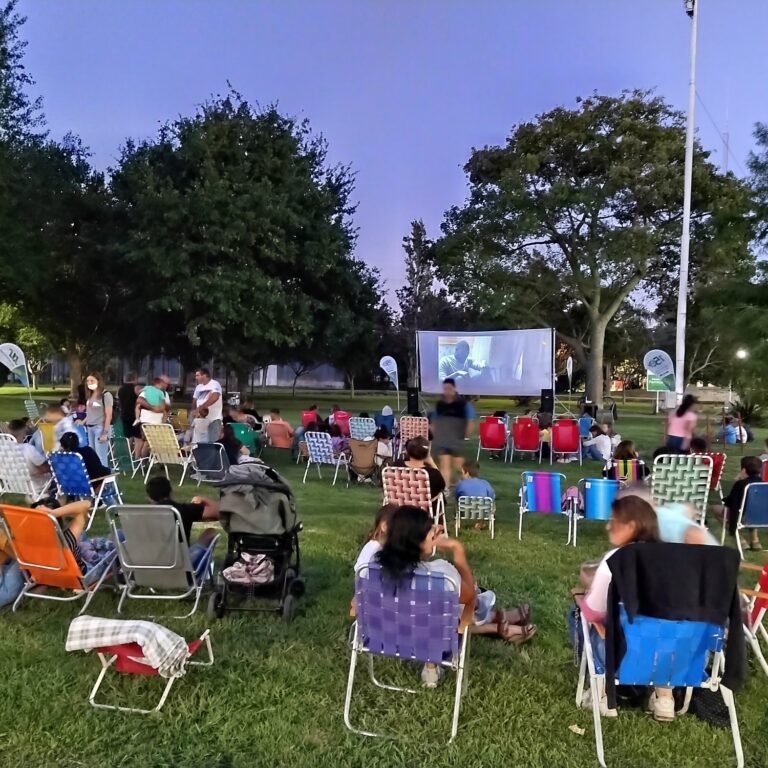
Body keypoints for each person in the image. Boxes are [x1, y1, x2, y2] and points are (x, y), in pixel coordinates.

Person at [367, 506, 534, 686]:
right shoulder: (441, 574)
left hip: (383, 639)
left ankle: (433, 670)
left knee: (427, 610)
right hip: (435, 644)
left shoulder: (373, 565)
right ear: (419, 542)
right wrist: (457, 550)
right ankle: (432, 665)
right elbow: (471, 600)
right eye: (430, 533)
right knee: (455, 608)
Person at [569, 495, 675, 721]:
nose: (608, 526)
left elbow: (593, 612)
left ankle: (601, 694)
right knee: (663, 626)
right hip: (677, 658)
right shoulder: (678, 561)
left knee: (580, 614)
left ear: (632, 526)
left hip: (626, 656)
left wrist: (587, 592)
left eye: (613, 521)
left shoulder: (616, 560)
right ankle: (665, 699)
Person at [145, 475, 221, 567]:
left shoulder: (141, 515)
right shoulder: (183, 510)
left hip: (147, 564)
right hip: (181, 566)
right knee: (210, 532)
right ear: (171, 492)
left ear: (149, 497)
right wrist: (203, 499)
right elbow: (221, 511)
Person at [431, 378, 474, 487]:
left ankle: (465, 486)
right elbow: (434, 421)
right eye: (445, 389)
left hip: (457, 439)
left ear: (454, 388)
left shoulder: (463, 404)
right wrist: (434, 435)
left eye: (449, 388)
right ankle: (445, 489)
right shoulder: (440, 405)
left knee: (459, 467)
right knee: (444, 465)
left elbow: (470, 421)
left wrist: (467, 435)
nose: (447, 391)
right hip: (442, 440)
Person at [722, 456, 763, 550]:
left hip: (742, 516)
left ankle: (740, 540)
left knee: (717, 509)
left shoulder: (741, 484)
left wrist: (736, 481)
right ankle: (755, 540)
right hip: (759, 517)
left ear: (743, 470)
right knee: (753, 510)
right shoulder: (763, 484)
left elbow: (730, 502)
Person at [393, 436, 445, 508]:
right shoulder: (432, 473)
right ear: (427, 454)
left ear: (408, 451)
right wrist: (432, 463)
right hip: (422, 509)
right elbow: (442, 486)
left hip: (399, 507)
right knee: (441, 494)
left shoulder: (397, 466)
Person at [8, 419, 52, 500]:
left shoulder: (3, 449)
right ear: (24, 433)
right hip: (36, 485)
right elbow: (45, 468)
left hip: (15, 485)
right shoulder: (28, 449)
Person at [84, 371, 114, 466]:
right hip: (90, 427)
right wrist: (83, 421)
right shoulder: (90, 395)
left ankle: (103, 474)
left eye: (92, 381)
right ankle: (95, 473)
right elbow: (90, 412)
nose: (89, 383)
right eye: (88, 381)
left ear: (98, 381)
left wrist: (105, 433)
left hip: (100, 427)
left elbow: (109, 415)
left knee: (101, 456)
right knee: (92, 455)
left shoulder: (106, 395)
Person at [191, 367, 223, 444]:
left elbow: (215, 397)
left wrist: (201, 407)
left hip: (214, 419)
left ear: (204, 375)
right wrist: (193, 411)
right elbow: (195, 400)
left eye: (198, 375)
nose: (196, 378)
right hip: (201, 419)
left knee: (212, 442)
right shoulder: (198, 387)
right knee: (199, 441)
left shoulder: (215, 384)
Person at [116, 372, 141, 444]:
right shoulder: (135, 388)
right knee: (137, 436)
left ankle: (128, 449)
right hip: (134, 416)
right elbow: (141, 399)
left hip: (124, 414)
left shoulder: (120, 389)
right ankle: (136, 451)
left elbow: (117, 400)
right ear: (134, 379)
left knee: (128, 435)